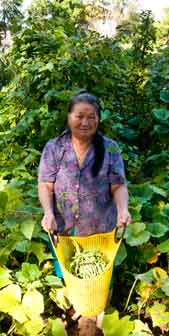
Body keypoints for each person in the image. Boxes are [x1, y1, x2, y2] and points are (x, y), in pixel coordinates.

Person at [38, 92, 131, 241]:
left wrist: (123, 210)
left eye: (91, 117)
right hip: (62, 232)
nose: (85, 123)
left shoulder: (110, 148)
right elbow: (45, 185)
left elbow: (118, 185)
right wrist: (48, 213)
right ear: (69, 117)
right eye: (79, 116)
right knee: (63, 264)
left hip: (101, 234)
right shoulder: (54, 147)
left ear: (98, 119)